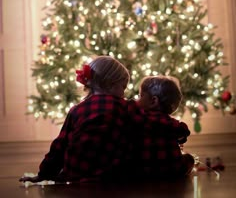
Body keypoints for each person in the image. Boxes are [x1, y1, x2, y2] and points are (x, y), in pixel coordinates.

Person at [19, 55, 130, 183]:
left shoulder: (77, 110)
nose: (123, 93)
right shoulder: (125, 107)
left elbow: (60, 145)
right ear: (110, 84)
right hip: (115, 176)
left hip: (76, 174)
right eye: (123, 87)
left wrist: (43, 174)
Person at [126, 75, 195, 180]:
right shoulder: (171, 123)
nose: (137, 100)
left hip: (140, 169)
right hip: (170, 169)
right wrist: (181, 137)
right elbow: (183, 131)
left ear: (154, 101)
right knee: (189, 159)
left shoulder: (138, 116)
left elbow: (128, 106)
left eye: (140, 96)